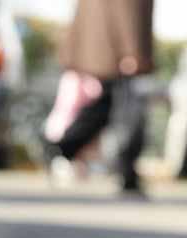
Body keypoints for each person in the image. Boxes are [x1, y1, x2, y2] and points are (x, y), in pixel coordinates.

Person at [50, 0, 156, 197]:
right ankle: (126, 170)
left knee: (106, 104)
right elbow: (127, 7)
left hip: (103, 43)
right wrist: (131, 50)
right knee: (127, 110)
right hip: (118, 49)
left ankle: (64, 147)